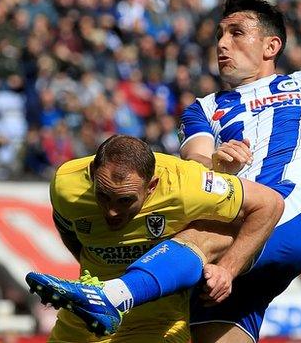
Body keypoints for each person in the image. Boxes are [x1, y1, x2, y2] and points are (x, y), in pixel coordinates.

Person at [31, 0, 301, 342]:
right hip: (231, 241)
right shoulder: (202, 108)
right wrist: (217, 162)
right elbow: (197, 166)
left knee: (196, 234)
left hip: (283, 215)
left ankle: (113, 296)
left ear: (271, 45)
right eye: (220, 34)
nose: (222, 43)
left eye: (237, 33)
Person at [26, 134, 284, 342]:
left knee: (212, 230)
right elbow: (69, 231)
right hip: (85, 309)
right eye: (103, 195)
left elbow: (270, 204)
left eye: (125, 200)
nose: (112, 211)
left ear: (151, 186)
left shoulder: (187, 185)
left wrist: (228, 269)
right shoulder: (66, 183)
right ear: (93, 174)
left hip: (157, 322)